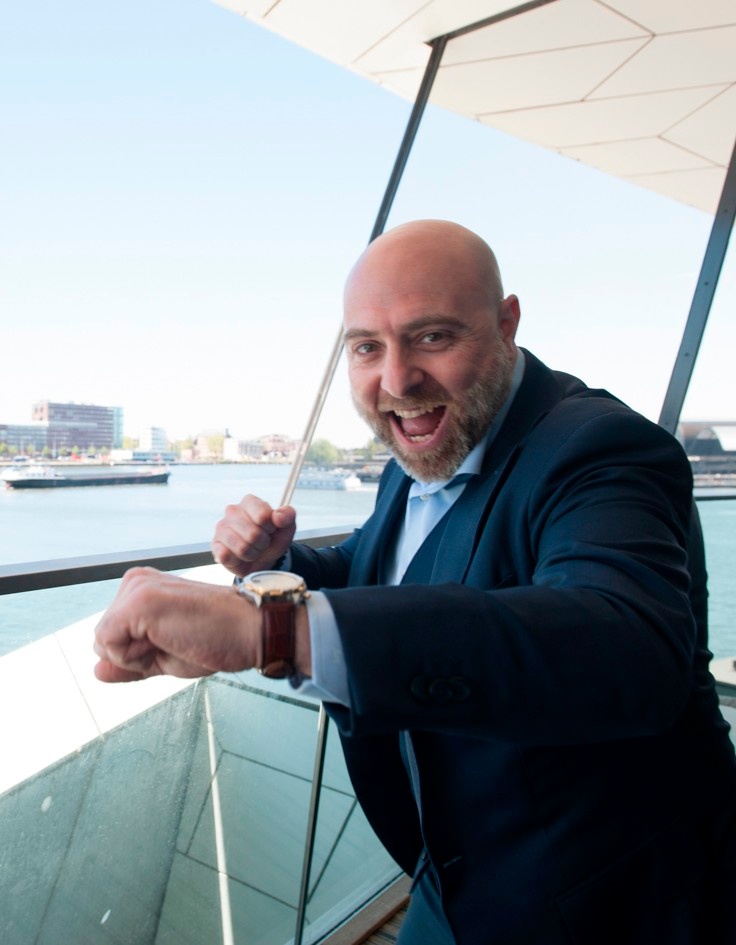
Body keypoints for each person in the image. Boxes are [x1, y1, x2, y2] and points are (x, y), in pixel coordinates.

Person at [95, 220, 736, 944]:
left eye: (431, 337)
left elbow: (626, 645)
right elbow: (382, 569)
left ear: (507, 323)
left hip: (603, 899)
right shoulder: (428, 449)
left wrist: (271, 633)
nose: (397, 381)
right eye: (367, 347)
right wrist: (279, 567)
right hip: (449, 873)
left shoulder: (602, 447)